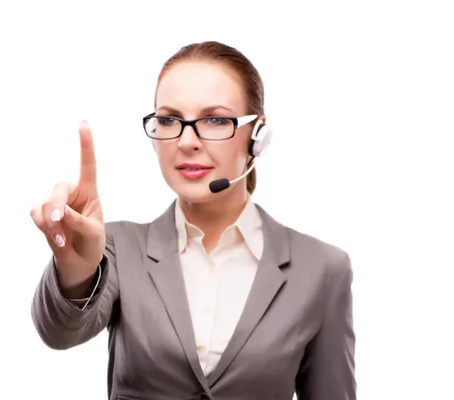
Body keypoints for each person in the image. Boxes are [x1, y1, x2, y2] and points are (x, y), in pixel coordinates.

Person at [30, 41, 356, 400]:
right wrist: (75, 272)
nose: (186, 141)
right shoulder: (117, 249)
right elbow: (59, 333)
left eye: (215, 119)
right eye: (169, 120)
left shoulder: (322, 268)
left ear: (258, 136)